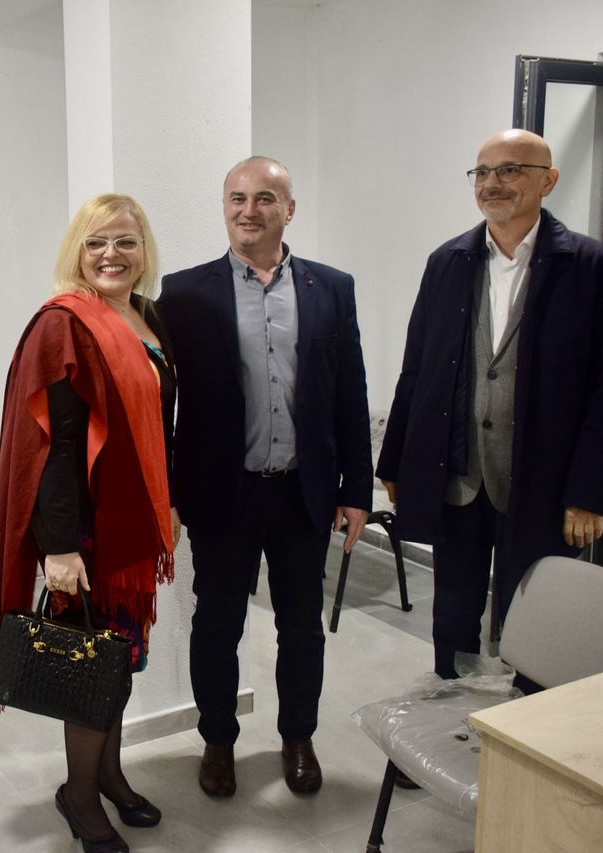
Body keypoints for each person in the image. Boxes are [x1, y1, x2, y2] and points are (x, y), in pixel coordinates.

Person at [376, 128, 603, 680]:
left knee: (538, 622)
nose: (492, 183)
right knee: (452, 615)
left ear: (549, 180)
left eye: (511, 169)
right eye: (483, 172)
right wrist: (396, 462)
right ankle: (451, 710)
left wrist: (588, 492)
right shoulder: (447, 262)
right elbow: (416, 369)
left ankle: (527, 724)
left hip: (544, 483)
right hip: (460, 477)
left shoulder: (591, 266)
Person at [0, 194, 177, 853]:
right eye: (96, 242)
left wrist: (168, 502)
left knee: (117, 662)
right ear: (76, 252)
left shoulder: (148, 316)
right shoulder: (63, 324)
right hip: (84, 532)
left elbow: (161, 426)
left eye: (126, 241)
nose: (112, 254)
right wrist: (58, 548)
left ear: (144, 250)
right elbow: (50, 445)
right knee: (89, 667)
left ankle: (109, 774)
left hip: (131, 526)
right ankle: (79, 795)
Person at [157, 156, 371, 797]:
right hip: (223, 492)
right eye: (237, 198)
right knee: (217, 625)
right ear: (224, 206)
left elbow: (350, 393)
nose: (249, 211)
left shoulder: (332, 288)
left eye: (265, 198)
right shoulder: (184, 294)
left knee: (301, 627)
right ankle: (218, 740)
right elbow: (162, 404)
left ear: (289, 209)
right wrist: (167, 493)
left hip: (303, 491)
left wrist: (356, 490)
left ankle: (298, 738)